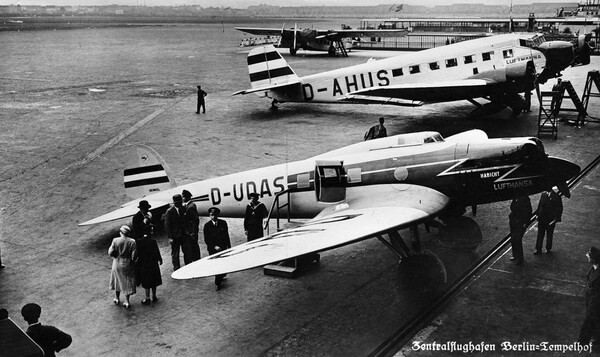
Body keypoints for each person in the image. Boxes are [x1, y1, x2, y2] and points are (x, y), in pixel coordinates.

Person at [109, 225, 137, 309]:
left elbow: (110, 252)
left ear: (121, 232)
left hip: (117, 262)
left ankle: (117, 298)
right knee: (127, 281)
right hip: (128, 263)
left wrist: (115, 256)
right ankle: (127, 301)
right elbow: (134, 255)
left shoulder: (115, 240)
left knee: (117, 280)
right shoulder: (132, 242)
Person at [203, 207, 231, 291]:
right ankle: (217, 283)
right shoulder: (207, 226)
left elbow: (226, 235)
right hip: (213, 249)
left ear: (218, 215)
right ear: (209, 215)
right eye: (211, 215)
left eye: (215, 215)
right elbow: (207, 239)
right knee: (216, 265)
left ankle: (221, 275)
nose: (213, 217)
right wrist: (214, 246)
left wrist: (228, 246)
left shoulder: (223, 223)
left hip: (222, 248)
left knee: (223, 263)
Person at [578, 247, 600, 352]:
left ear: (593, 259)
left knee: (589, 319)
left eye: (588, 254)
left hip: (596, 299)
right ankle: (596, 337)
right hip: (591, 297)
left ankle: (582, 342)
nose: (586, 255)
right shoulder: (594, 268)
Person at [135, 225, 162, 305]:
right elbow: (157, 252)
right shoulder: (153, 241)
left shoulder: (139, 242)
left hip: (144, 264)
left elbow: (137, 253)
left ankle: (147, 298)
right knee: (154, 281)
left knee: (146, 282)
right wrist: (160, 259)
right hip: (153, 263)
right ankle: (154, 296)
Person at [534, 186, 563, 255]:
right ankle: (538, 249)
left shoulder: (557, 196)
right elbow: (540, 205)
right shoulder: (543, 194)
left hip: (550, 220)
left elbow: (559, 209)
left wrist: (555, 220)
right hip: (542, 219)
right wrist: (537, 214)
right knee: (540, 235)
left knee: (549, 235)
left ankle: (548, 248)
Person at [164, 194, 188, 271]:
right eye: (179, 202)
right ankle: (176, 268)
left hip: (183, 235)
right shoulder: (169, 211)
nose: (180, 203)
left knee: (186, 251)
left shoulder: (182, 209)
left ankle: (188, 266)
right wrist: (170, 237)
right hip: (175, 236)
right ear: (176, 203)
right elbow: (167, 225)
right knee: (175, 253)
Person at [509, 194, 532, 265]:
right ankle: (515, 255)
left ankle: (519, 258)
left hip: (520, 222)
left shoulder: (525, 198)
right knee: (513, 239)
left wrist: (525, 222)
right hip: (514, 222)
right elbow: (512, 207)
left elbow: (528, 211)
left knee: (518, 239)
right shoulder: (515, 197)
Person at [182, 189, 201, 262]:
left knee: (194, 248)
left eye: (183, 197)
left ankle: (196, 261)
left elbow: (195, 221)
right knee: (194, 248)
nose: (183, 199)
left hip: (192, 233)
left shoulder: (191, 207)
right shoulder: (189, 205)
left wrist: (193, 232)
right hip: (191, 232)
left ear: (187, 197)